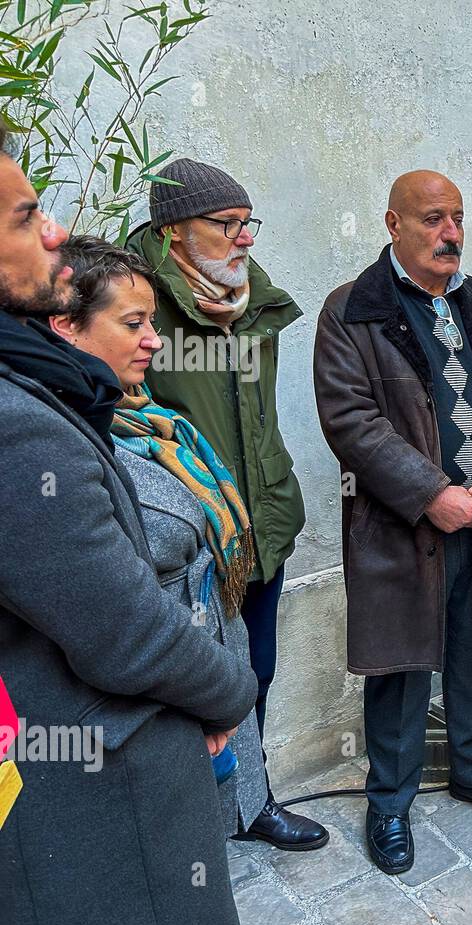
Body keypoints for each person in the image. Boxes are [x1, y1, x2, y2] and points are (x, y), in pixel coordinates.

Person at [0, 134, 257, 925]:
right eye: (28, 214)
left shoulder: (50, 394)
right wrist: (229, 691)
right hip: (98, 801)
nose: (54, 231)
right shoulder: (23, 423)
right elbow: (125, 629)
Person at [314, 170, 472, 875]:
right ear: (393, 223)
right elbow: (352, 422)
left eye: (459, 219)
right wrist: (433, 492)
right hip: (406, 527)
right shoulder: (352, 311)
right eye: (434, 218)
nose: (451, 233)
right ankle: (389, 801)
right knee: (403, 665)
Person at [125, 158, 326, 851]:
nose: (245, 239)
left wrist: (274, 499)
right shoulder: (138, 306)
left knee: (253, 671)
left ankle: (252, 802)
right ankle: (187, 831)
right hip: (189, 540)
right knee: (187, 689)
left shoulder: (254, 302)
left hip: (258, 525)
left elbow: (259, 418)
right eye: (227, 224)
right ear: (175, 232)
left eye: (249, 224)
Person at [49, 235, 267, 838]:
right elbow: (115, 621)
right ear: (66, 326)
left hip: (206, 681)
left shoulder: (149, 418)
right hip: (164, 704)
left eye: (153, 320)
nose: (154, 338)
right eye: (133, 322)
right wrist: (219, 693)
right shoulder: (62, 438)